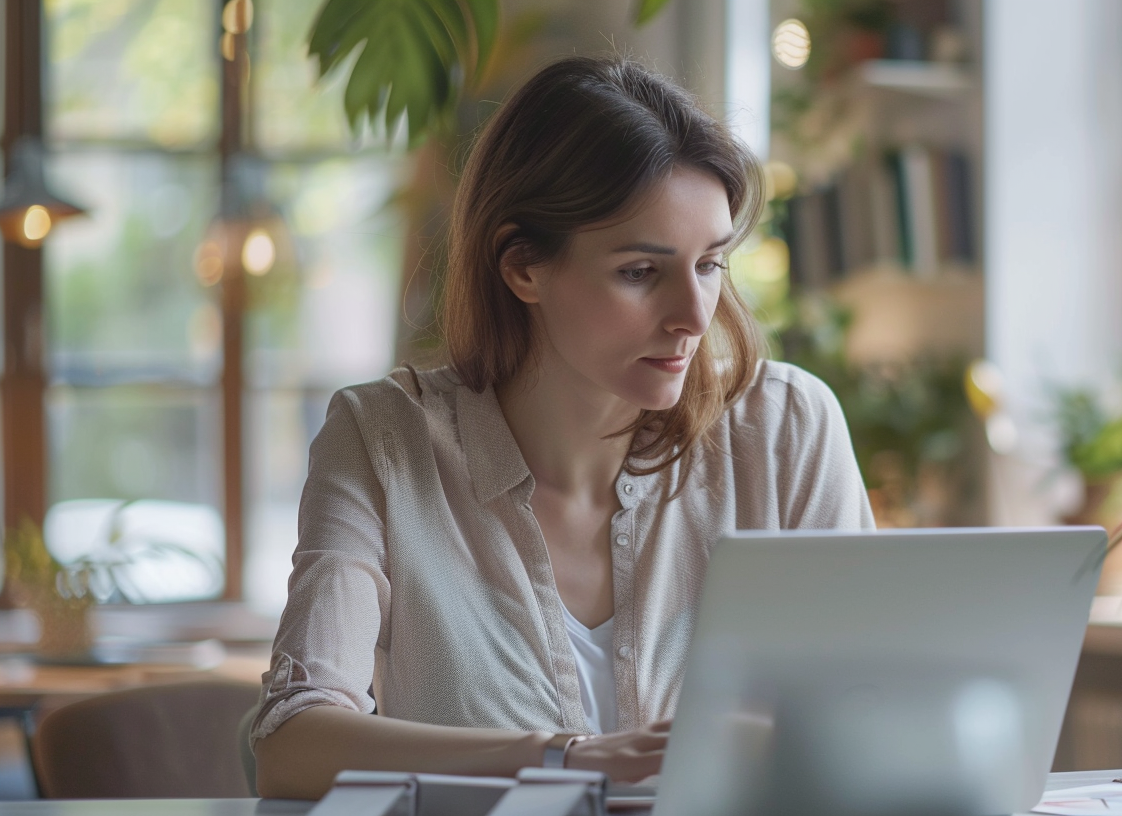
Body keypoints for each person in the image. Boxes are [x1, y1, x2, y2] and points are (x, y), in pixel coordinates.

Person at [250, 55, 874, 800]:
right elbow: (292, 742)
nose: (692, 317)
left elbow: (869, 713)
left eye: (709, 265)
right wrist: (567, 759)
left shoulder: (786, 429)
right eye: (641, 272)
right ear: (523, 269)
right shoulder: (385, 440)